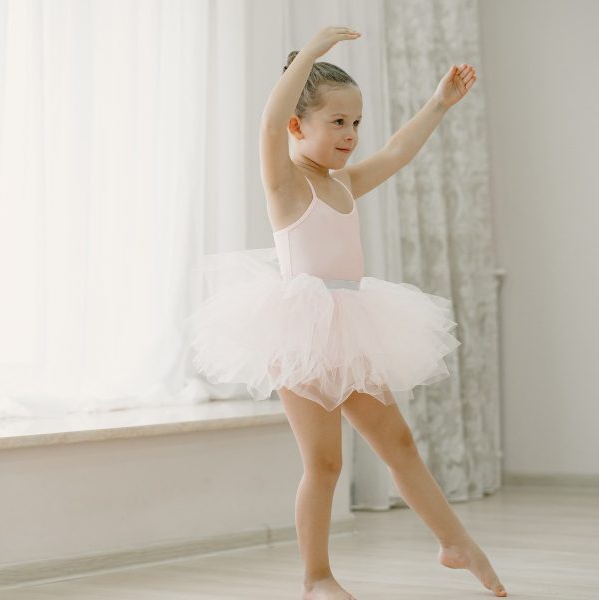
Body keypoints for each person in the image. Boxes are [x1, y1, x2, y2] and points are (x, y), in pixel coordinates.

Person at [183, 26, 507, 599]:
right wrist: (309, 55)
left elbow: (398, 151)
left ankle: (456, 544)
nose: (351, 135)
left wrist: (438, 103)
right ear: (296, 125)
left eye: (356, 123)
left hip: (352, 329)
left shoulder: (345, 184)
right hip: (300, 332)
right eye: (338, 122)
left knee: (399, 444)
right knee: (325, 463)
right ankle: (316, 577)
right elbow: (265, 123)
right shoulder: (285, 183)